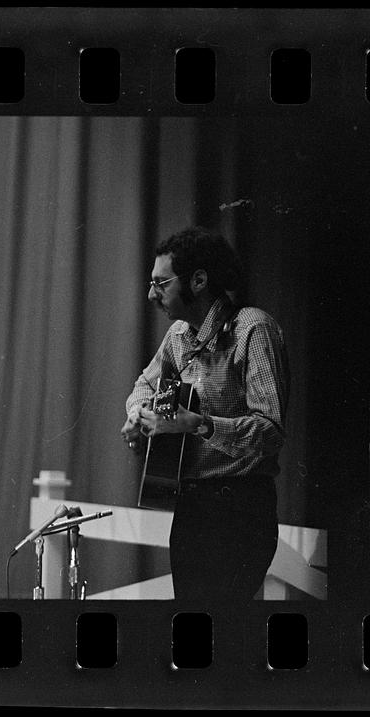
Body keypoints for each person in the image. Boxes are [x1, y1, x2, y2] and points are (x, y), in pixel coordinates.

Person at [121, 226, 290, 602]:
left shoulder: (253, 329)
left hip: (240, 511)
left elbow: (271, 431)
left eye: (161, 283)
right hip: (192, 509)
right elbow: (142, 387)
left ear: (198, 280)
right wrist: (137, 414)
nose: (151, 295)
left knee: (223, 631)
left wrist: (198, 424)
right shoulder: (179, 335)